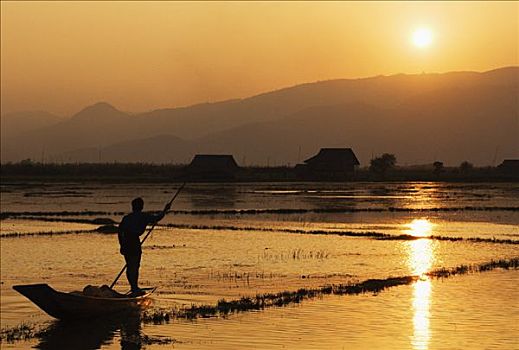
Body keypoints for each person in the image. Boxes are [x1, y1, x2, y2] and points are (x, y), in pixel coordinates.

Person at [118, 197, 171, 294]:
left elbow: (120, 231)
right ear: (141, 207)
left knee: (130, 266)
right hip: (133, 242)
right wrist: (165, 210)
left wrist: (122, 244)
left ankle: (133, 287)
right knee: (134, 265)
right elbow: (157, 217)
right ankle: (134, 288)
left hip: (126, 242)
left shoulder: (127, 218)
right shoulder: (143, 216)